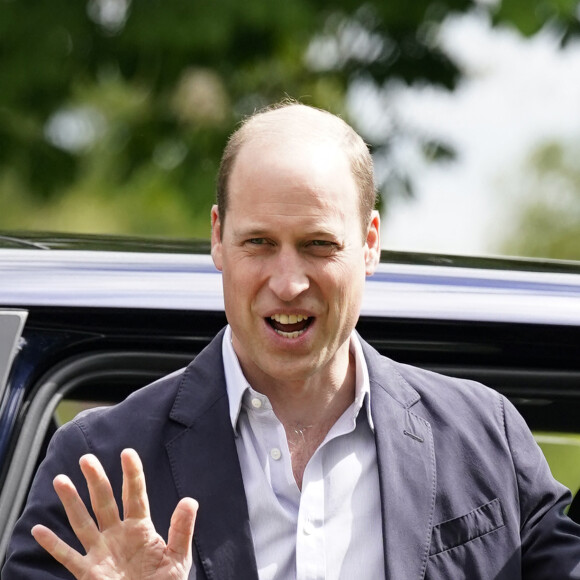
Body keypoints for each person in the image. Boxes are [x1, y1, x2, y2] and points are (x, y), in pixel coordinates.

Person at [3, 102, 580, 580]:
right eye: (258, 242)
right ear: (218, 240)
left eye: (317, 245)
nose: (288, 282)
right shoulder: (98, 463)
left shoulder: (486, 438)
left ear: (371, 243)